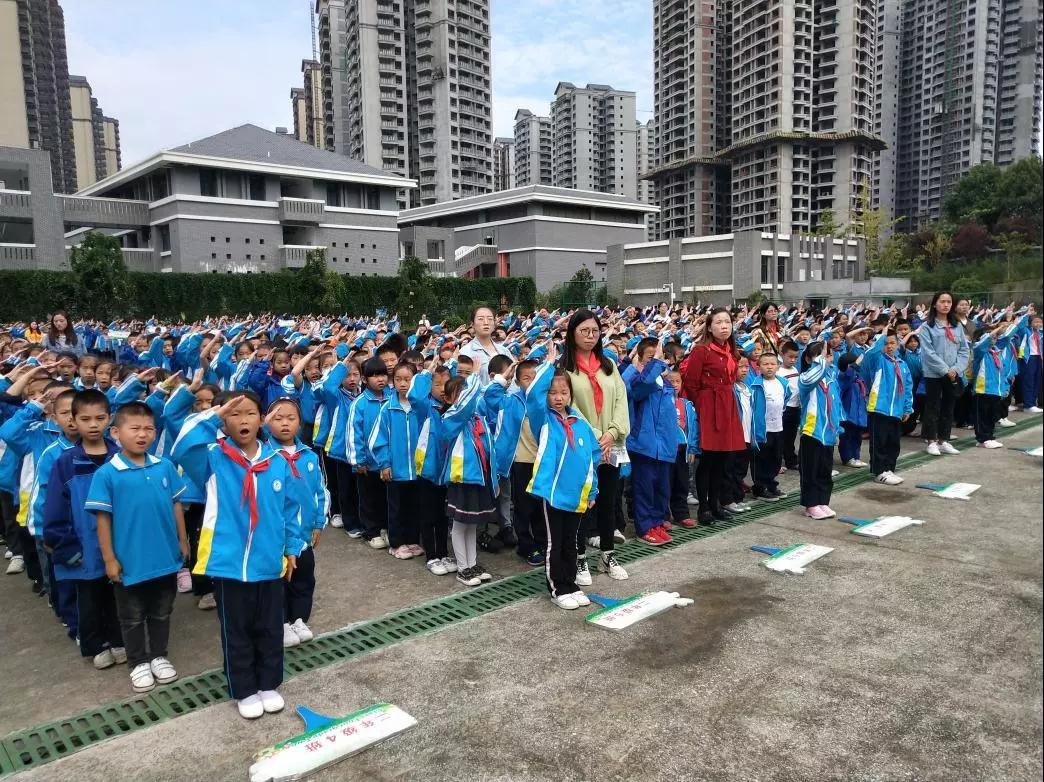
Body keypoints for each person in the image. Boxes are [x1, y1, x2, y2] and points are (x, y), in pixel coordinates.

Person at [170, 392, 308, 720]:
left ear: (262, 419)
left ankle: (268, 683)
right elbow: (181, 444)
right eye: (234, 414)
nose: (243, 420)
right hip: (228, 564)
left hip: (268, 563)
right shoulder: (213, 459)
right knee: (237, 630)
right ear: (223, 422)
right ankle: (244, 688)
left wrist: (291, 548)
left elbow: (290, 509)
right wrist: (214, 415)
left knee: (270, 627)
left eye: (249, 413)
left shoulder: (276, 462)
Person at [85, 402, 189, 693]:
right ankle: (138, 662)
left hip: (165, 557)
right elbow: (103, 520)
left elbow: (176, 505)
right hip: (130, 561)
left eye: (148, 429)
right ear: (116, 432)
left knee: (162, 610)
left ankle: (159, 656)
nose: (142, 434)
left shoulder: (164, 466)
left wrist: (183, 540)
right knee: (131, 616)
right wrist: (109, 558)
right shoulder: (107, 474)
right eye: (135, 428)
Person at [42, 390, 126, 668]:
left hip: (117, 545)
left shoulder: (119, 456)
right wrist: (65, 546)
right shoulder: (66, 463)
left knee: (117, 595)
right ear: (73, 421)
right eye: (85, 419)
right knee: (88, 599)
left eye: (100, 418)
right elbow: (54, 507)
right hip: (83, 548)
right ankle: (94, 643)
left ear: (109, 419)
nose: (93, 425)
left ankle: (118, 639)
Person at [524, 349, 601, 610]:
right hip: (553, 494)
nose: (558, 398)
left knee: (571, 541)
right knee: (554, 543)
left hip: (576, 494)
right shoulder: (543, 419)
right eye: (553, 393)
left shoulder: (580, 422)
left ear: (571, 394)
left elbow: (592, 456)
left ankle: (571, 583)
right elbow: (533, 396)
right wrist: (549, 364)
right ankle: (557, 587)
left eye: (563, 393)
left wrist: (592, 492)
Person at [559, 310, 630, 581]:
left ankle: (608, 555)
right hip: (582, 446)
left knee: (608, 501)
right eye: (584, 331)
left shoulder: (608, 365)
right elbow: (569, 406)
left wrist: (612, 433)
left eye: (595, 331)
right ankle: (579, 559)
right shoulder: (565, 369)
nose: (590, 336)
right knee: (583, 503)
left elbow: (621, 401)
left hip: (610, 446)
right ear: (573, 333)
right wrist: (597, 435)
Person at [263, 398, 328, 648]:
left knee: (303, 579)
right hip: (276, 536)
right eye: (277, 418)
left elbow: (319, 491)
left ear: (300, 423)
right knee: (279, 581)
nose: (285, 423)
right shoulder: (265, 457)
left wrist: (318, 522)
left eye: (291, 418)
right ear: (267, 423)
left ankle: (299, 619)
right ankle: (280, 622)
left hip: (303, 535)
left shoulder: (308, 455)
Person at [682, 308, 746, 525]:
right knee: (708, 460)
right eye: (718, 322)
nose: (724, 326)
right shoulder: (701, 350)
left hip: (727, 404)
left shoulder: (731, 349)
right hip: (709, 405)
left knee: (723, 459)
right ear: (709, 327)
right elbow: (690, 383)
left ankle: (717, 503)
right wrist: (702, 406)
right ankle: (704, 508)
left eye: (727, 322)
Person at [623, 338, 678, 545]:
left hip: (663, 446)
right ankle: (644, 526)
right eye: (651, 357)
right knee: (644, 488)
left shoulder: (665, 382)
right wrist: (653, 363)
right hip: (644, 446)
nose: (658, 361)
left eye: (660, 356)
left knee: (661, 488)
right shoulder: (638, 380)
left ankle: (656, 522)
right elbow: (638, 387)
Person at [370, 362, 427, 560]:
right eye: (398, 379)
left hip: (417, 469)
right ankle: (396, 543)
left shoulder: (421, 407)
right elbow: (378, 440)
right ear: (392, 382)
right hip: (396, 470)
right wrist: (384, 463)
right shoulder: (388, 408)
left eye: (408, 379)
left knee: (414, 506)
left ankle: (412, 539)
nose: (403, 383)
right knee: (396, 508)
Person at [346, 358, 390, 548]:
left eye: (382, 374)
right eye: (374, 376)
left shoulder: (392, 397)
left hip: (388, 462)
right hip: (368, 463)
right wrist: (358, 460)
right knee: (369, 498)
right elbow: (353, 434)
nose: (380, 379)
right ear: (364, 379)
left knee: (387, 498)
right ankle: (371, 531)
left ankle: (386, 528)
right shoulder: (360, 404)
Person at [919, 291, 969, 456]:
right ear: (935, 304)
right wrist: (945, 370)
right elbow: (928, 352)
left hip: (953, 372)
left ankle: (943, 440)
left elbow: (963, 350)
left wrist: (956, 368)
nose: (946, 305)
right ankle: (931, 440)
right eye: (942, 301)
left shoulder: (957, 326)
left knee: (949, 406)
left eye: (949, 302)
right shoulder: (927, 327)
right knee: (933, 406)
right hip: (934, 373)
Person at [860, 331, 914, 484]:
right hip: (879, 408)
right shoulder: (877, 361)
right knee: (880, 442)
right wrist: (882, 335)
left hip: (896, 410)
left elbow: (908, 387)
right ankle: (879, 471)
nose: (889, 346)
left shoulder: (902, 364)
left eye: (892, 343)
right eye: (886, 343)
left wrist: (907, 408)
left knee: (893, 442)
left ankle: (889, 468)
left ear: (897, 344)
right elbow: (871, 352)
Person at [797, 342, 843, 519]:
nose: (825, 358)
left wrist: (838, 427)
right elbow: (812, 377)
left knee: (825, 469)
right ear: (809, 359)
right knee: (811, 470)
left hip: (829, 433)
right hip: (812, 431)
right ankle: (811, 504)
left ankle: (823, 501)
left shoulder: (831, 378)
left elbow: (836, 404)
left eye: (828, 355)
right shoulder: (805, 378)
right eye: (821, 355)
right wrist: (820, 361)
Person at [750, 352, 791, 501]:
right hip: (762, 429)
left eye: (772, 364)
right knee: (761, 459)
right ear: (759, 366)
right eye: (765, 364)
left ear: (778, 366)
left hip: (778, 428)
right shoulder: (755, 385)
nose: (769, 367)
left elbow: (786, 398)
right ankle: (760, 488)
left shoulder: (783, 383)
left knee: (776, 458)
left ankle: (771, 485)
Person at [665, 369, 699, 528]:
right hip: (666, 451)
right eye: (671, 381)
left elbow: (693, 429)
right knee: (665, 484)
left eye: (677, 381)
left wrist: (692, 448)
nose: (675, 385)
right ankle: (663, 516)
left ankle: (682, 514)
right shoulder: (662, 403)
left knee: (682, 483)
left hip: (683, 451)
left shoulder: (687, 404)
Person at [777, 341, 802, 470]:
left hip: (795, 408)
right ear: (782, 355)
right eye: (790, 357)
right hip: (784, 409)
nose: (793, 360)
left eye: (795, 357)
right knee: (781, 436)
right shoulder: (778, 372)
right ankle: (778, 461)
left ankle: (791, 460)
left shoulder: (795, 370)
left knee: (791, 436)